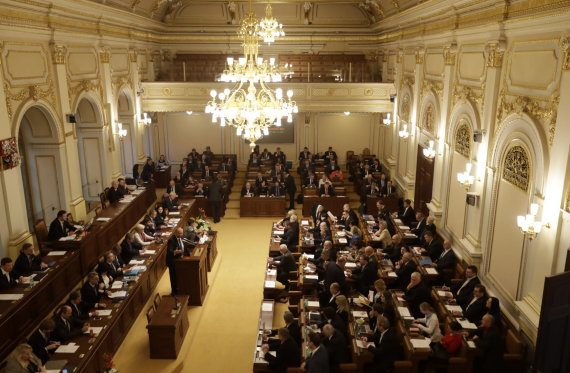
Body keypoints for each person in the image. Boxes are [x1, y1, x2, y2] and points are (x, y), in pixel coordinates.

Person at [166, 228, 186, 295]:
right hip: (172, 262)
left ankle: (180, 289)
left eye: (181, 233)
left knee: (179, 276)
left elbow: (183, 246)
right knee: (173, 277)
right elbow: (169, 251)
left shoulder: (181, 238)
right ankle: (174, 292)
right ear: (176, 233)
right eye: (179, 233)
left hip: (179, 260)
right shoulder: (171, 240)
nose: (181, 235)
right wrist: (175, 252)